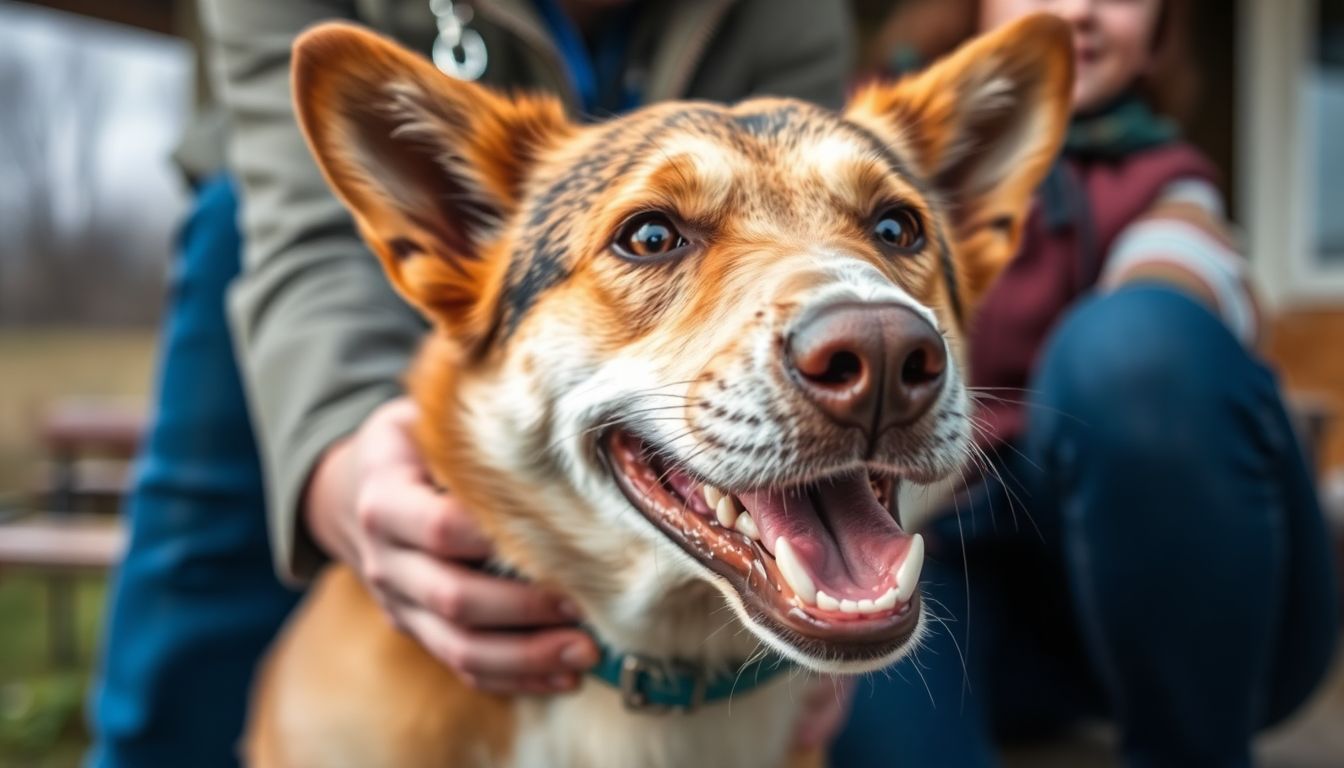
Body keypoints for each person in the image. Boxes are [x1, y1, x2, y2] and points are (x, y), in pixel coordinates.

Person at [88, 1, 854, 764]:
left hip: (693, 324)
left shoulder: (796, 20)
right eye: (654, 234)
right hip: (319, 240)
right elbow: (308, 236)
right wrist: (341, 460)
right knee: (179, 668)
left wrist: (842, 567)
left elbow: (807, 244)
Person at [831, 1, 1339, 767]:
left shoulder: (1169, 183)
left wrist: (1168, 302)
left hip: (1155, 594)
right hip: (919, 567)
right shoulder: (843, 147)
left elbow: (1183, 267)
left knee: (1140, 348)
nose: (1078, 11)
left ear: (1163, 30)